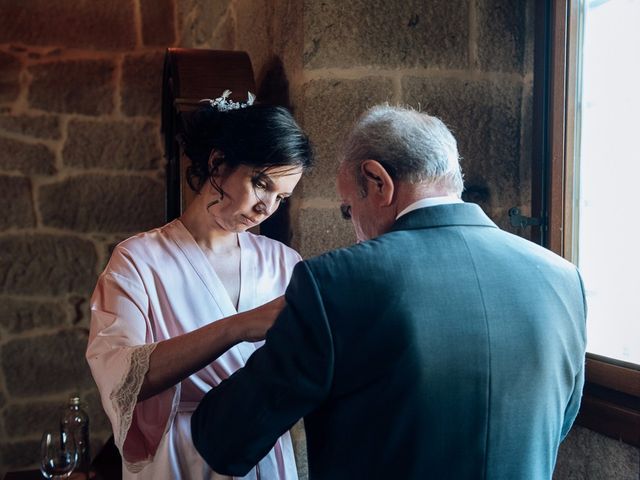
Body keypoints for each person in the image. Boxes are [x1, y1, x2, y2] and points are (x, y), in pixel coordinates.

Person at [190, 105, 587, 479]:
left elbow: (225, 439)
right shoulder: (565, 279)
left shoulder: (334, 282)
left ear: (378, 181)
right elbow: (560, 420)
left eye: (348, 208)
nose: (354, 227)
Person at [86, 91, 313, 480]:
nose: (266, 208)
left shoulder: (283, 263)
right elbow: (120, 377)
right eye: (261, 183)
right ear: (218, 163)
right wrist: (237, 326)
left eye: (282, 197)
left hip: (261, 453)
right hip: (180, 455)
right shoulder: (138, 260)